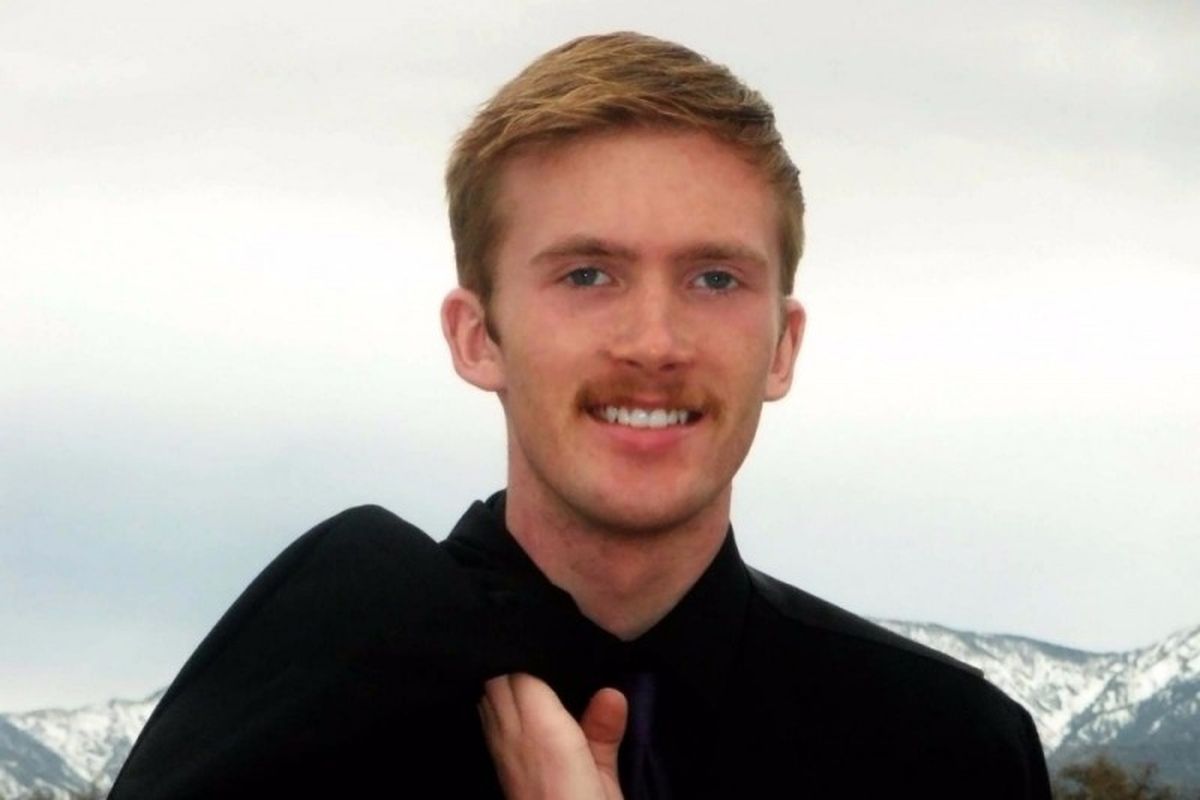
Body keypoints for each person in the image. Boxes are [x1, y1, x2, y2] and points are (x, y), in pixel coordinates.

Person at [110, 32, 1052, 799]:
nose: (654, 342)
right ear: (477, 337)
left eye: (714, 279)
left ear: (782, 347)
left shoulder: (947, 753)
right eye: (588, 275)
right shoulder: (301, 733)